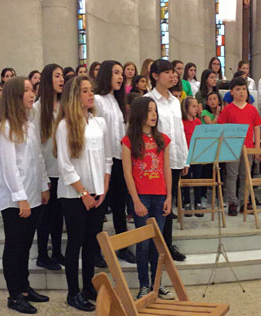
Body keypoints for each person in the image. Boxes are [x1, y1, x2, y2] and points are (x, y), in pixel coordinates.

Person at [0, 77, 50, 314]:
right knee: (15, 246)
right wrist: (21, 197)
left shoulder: (30, 122)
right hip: (15, 199)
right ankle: (14, 295)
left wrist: (44, 184)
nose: (31, 93)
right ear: (15, 96)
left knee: (26, 245)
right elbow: (8, 167)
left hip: (33, 193)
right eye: (25, 90)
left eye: (31, 89)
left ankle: (25, 288)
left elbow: (37, 158)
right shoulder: (6, 126)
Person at [55, 75, 110, 312]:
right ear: (74, 96)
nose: (91, 95)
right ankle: (72, 292)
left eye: (91, 90)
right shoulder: (64, 125)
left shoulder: (99, 123)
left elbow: (107, 158)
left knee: (91, 243)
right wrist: (84, 193)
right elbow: (65, 165)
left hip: (98, 193)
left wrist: (104, 188)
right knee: (75, 243)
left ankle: (88, 286)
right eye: (85, 91)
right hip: (74, 195)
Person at [121, 96, 176, 300]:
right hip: (142, 197)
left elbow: (167, 169)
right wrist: (135, 201)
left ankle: (157, 284)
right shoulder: (129, 141)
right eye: (149, 111)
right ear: (139, 114)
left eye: (155, 111)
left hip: (160, 196)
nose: (154, 115)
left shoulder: (162, 139)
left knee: (157, 243)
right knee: (143, 244)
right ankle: (144, 285)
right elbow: (127, 172)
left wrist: (169, 197)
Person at [144, 59, 189, 262]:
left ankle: (167, 245)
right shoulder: (148, 101)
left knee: (170, 205)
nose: (173, 76)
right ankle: (155, 247)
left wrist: (185, 158)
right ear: (155, 76)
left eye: (174, 72)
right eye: (168, 72)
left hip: (175, 159)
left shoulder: (174, 101)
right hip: (156, 161)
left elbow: (179, 131)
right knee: (158, 206)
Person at [93, 60, 136, 264]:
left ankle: (122, 247)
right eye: (116, 73)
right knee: (100, 208)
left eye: (121, 74)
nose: (120, 77)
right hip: (102, 162)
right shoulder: (98, 100)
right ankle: (95, 250)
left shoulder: (118, 101)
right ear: (105, 75)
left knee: (119, 205)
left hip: (118, 159)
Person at [30, 64, 66, 271]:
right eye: (57, 76)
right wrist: (43, 178)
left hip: (62, 170)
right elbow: (35, 147)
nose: (61, 79)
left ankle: (57, 251)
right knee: (46, 215)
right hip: (46, 170)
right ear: (47, 80)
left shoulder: (64, 107)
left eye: (62, 76)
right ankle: (42, 254)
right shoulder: (36, 109)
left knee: (58, 215)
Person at [218, 77, 261, 215]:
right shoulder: (228, 110)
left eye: (244, 89)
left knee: (245, 175)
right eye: (238, 89)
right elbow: (221, 128)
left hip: (248, 147)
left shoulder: (252, 109)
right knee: (232, 175)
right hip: (231, 147)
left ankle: (244, 201)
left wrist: (257, 146)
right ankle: (232, 202)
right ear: (231, 92)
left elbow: (256, 128)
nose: (241, 92)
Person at [180, 97, 204, 214]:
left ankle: (198, 202)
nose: (196, 109)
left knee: (198, 179)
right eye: (193, 106)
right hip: (186, 155)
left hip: (197, 154)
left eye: (196, 106)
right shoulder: (182, 122)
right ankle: (187, 202)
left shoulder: (198, 122)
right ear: (186, 108)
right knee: (186, 179)